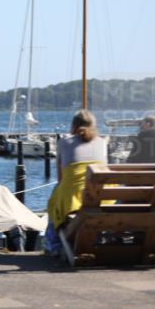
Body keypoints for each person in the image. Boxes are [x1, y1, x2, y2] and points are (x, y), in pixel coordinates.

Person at [44, 109, 108, 257]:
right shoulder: (102, 142)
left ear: (73, 125)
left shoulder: (64, 142)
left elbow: (61, 179)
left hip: (73, 201)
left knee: (54, 200)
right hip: (104, 200)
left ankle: (54, 244)